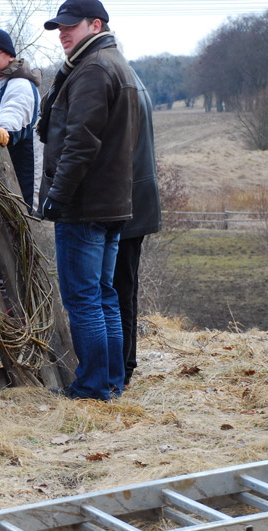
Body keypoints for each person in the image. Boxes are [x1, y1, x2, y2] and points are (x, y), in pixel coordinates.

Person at [37, 0, 140, 400]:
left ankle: (94, 386)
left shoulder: (93, 69)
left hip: (86, 205)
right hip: (112, 203)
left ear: (95, 24)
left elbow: (80, 143)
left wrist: (57, 198)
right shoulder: (114, 63)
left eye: (70, 26)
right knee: (104, 296)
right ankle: (110, 381)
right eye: (58, 28)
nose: (62, 34)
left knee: (83, 300)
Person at [115, 70, 161, 389]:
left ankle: (123, 368)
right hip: (136, 201)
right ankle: (125, 364)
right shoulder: (133, 79)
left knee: (120, 289)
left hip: (124, 203)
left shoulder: (120, 84)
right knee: (125, 288)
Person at [0, 28, 41, 209]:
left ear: (10, 55)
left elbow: (15, 110)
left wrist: (2, 128)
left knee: (20, 233)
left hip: (19, 184)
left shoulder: (19, 84)